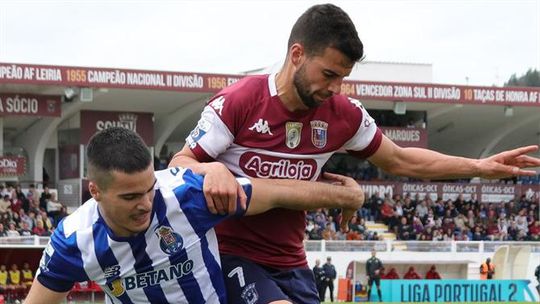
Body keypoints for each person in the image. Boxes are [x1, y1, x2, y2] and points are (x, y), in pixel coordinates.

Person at [169, 3, 540, 303]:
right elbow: (179, 162)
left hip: (292, 261)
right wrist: (211, 171)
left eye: (343, 77)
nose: (335, 87)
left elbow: (401, 160)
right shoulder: (241, 101)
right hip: (231, 254)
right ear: (297, 54)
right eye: (328, 73)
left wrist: (479, 166)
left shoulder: (343, 115)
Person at [24, 127, 364, 304]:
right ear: (95, 191)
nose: (145, 203)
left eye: (148, 188)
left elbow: (277, 192)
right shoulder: (74, 241)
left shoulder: (186, 196)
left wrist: (347, 195)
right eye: (130, 196)